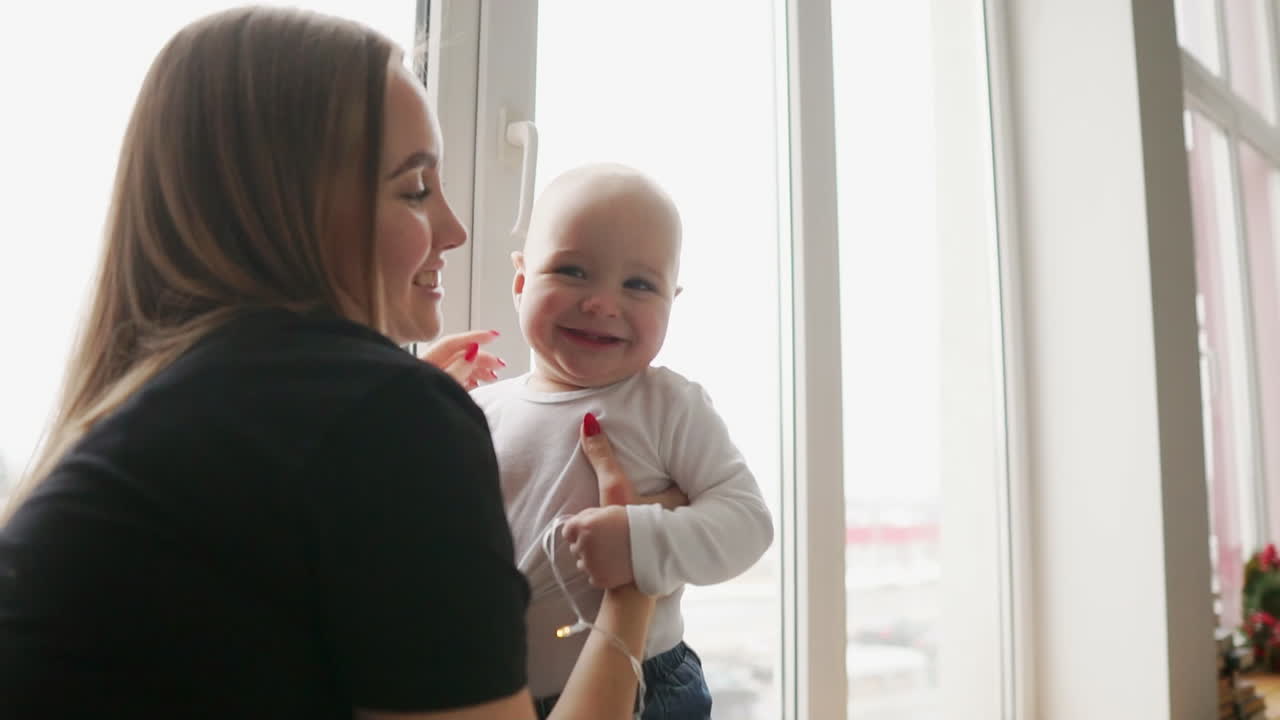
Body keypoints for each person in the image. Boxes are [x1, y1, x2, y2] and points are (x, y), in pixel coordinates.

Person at [0, 7, 661, 719]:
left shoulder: (159, 425)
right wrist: (633, 589)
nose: (455, 229)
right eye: (415, 188)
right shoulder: (379, 417)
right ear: (290, 208)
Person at [471, 163, 775, 719]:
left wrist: (641, 543)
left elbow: (748, 524)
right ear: (520, 282)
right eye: (572, 270)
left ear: (671, 301)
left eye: (638, 284)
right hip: (501, 695)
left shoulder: (668, 405)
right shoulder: (481, 410)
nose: (603, 303)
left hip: (646, 685)